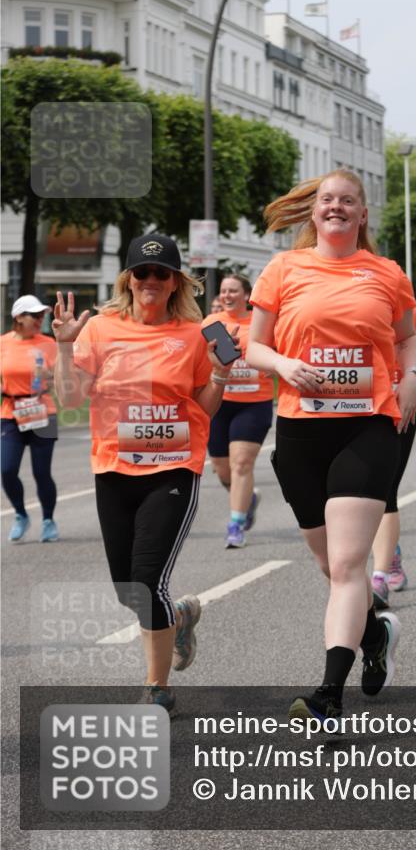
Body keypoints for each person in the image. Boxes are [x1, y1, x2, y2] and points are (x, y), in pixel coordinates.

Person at [245, 170, 416, 726]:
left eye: (347, 201)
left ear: (362, 214)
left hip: (366, 427)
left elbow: (408, 338)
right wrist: (284, 364)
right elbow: (253, 346)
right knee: (330, 566)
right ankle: (376, 635)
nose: (336, 207)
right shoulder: (283, 269)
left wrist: (413, 377)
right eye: (327, 200)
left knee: (348, 565)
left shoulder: (386, 273)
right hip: (302, 431)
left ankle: (328, 695)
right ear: (314, 211)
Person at [53, 234, 237, 716]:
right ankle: (179, 617)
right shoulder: (100, 328)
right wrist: (65, 348)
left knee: (147, 579)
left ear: (175, 282)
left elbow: (205, 408)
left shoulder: (196, 333)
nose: (151, 280)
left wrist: (220, 374)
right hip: (114, 468)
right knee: (128, 590)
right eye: (142, 272)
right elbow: (70, 400)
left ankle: (157, 688)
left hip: (173, 468)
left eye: (161, 273)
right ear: (128, 279)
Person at [370, 306, 416, 608]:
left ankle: (380, 576)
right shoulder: (339, 303)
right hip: (354, 409)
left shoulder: (405, 311)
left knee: (384, 490)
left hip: (400, 408)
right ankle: (391, 550)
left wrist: (415, 375)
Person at [202, 274, 273, 548]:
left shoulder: (261, 322)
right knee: (222, 469)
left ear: (246, 295)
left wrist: (272, 364)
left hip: (254, 403)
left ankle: (236, 525)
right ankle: (247, 499)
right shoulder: (211, 323)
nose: (227, 296)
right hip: (220, 402)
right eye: (223, 291)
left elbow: (280, 350)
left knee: (241, 463)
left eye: (233, 291)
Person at [1, 295, 59, 542]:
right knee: (7, 469)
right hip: (10, 412)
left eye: (41, 315)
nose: (39, 319)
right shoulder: (2, 343)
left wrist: (49, 376)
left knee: (41, 472)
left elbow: (63, 377)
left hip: (42, 411)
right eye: (34, 315)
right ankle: (21, 515)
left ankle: (48, 520)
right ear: (18, 317)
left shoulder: (48, 343)